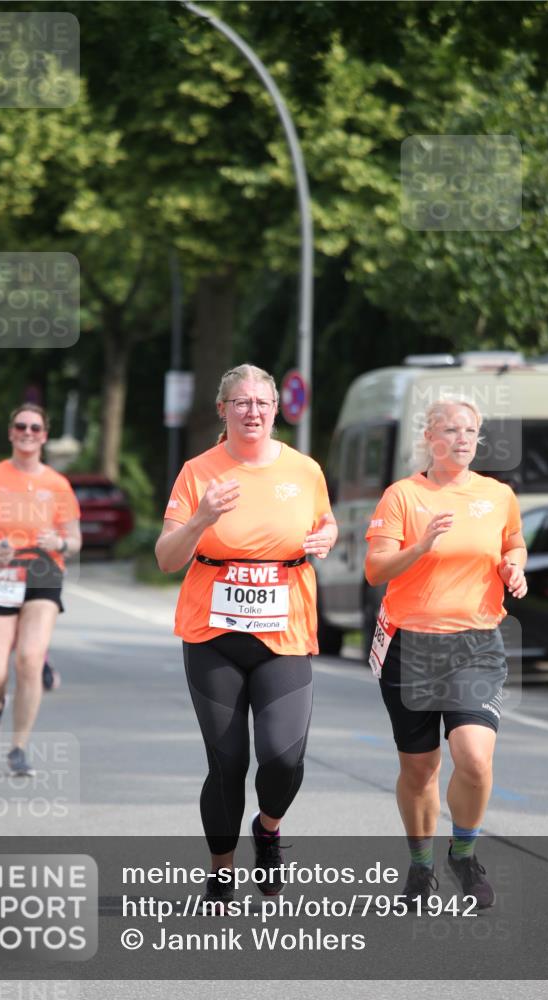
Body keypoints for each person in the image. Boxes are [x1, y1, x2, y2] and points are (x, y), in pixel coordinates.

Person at [155, 364, 337, 908]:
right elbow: (166, 558)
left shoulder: (304, 470)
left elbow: (324, 522)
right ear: (223, 410)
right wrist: (200, 518)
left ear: (275, 409)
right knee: (228, 763)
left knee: (284, 758)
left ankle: (268, 828)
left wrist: (326, 536)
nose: (252, 411)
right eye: (241, 402)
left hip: (285, 631)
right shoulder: (198, 472)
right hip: (213, 634)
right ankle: (221, 873)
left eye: (261, 402)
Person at [364, 396, 527, 909]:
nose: (462, 439)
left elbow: (514, 543)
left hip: (476, 643)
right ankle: (420, 866)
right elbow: (375, 569)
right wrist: (419, 548)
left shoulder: (497, 495)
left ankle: (464, 853)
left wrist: (514, 567)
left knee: (474, 758)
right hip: (410, 645)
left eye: (470, 431)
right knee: (420, 770)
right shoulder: (403, 496)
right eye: (451, 430)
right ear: (429, 437)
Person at [0, 404, 81, 777]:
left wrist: (59, 541)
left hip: (43, 573)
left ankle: (18, 748)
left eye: (35, 428)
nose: (27, 432)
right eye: (21, 426)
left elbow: (74, 541)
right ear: (10, 433)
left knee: (29, 659)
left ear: (44, 435)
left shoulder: (57, 484)